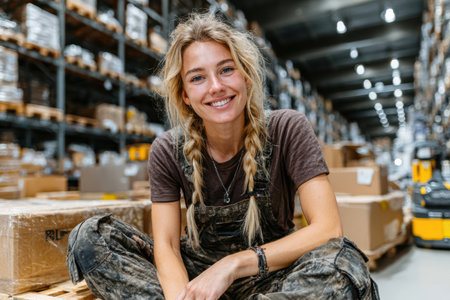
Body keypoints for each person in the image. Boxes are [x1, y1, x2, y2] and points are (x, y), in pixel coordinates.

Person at [66, 12, 379, 300]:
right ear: (185, 95)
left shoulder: (287, 128)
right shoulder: (166, 150)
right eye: (198, 78)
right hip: (196, 277)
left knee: (343, 262)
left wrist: (232, 265)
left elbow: (328, 229)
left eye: (226, 69)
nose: (216, 87)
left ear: (245, 76)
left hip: (273, 276)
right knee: (91, 236)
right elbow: (167, 246)